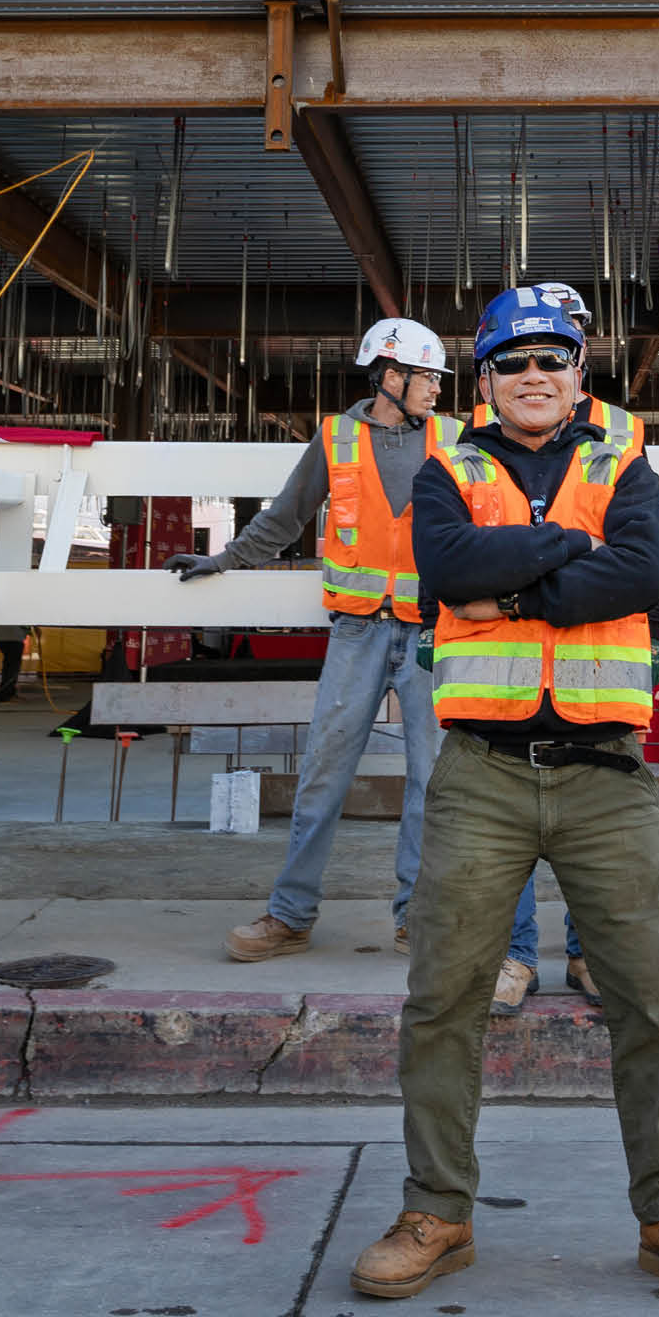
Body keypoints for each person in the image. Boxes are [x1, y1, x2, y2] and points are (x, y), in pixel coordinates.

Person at [349, 287, 659, 1305]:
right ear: (481, 381)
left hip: (604, 776)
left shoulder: (623, 463)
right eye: (513, 360)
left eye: (553, 358)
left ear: (581, 376)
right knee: (441, 1000)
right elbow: (442, 566)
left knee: (646, 1001)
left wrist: (516, 588)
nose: (535, 374)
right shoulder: (451, 466)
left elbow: (647, 572)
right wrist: (571, 556)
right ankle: (433, 1211)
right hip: (479, 776)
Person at [168, 319, 463, 961]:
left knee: (433, 780)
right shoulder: (337, 438)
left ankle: (420, 917)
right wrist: (223, 561)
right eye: (429, 377)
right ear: (391, 376)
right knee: (323, 775)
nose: (438, 389)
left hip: (431, 635)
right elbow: (286, 516)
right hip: (357, 631)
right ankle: (290, 915)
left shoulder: (457, 440)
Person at [470, 282, 656, 1013]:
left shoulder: (623, 433)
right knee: (503, 817)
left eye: (562, 342)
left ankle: (588, 954)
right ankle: (514, 957)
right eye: (522, 352)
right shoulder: (489, 424)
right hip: (504, 661)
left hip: (598, 646)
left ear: (583, 350)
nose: (538, 366)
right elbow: (469, 545)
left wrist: (654, 634)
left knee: (597, 828)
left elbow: (641, 557)